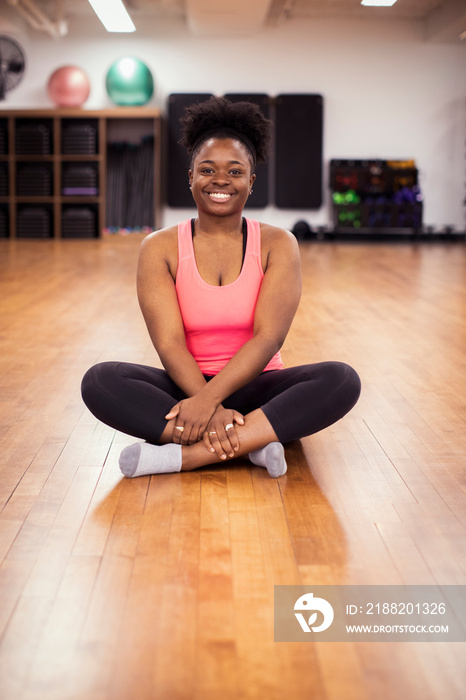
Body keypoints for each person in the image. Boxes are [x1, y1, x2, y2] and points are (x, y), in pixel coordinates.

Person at [81, 97, 361, 479]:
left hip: (258, 384)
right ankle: (254, 442)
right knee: (101, 380)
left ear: (251, 181)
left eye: (235, 171)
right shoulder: (159, 247)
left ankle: (187, 457)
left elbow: (268, 339)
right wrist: (204, 401)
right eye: (207, 169)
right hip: (185, 385)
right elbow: (169, 343)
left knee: (341, 379)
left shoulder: (279, 244)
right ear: (191, 177)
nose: (220, 181)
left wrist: (209, 405)